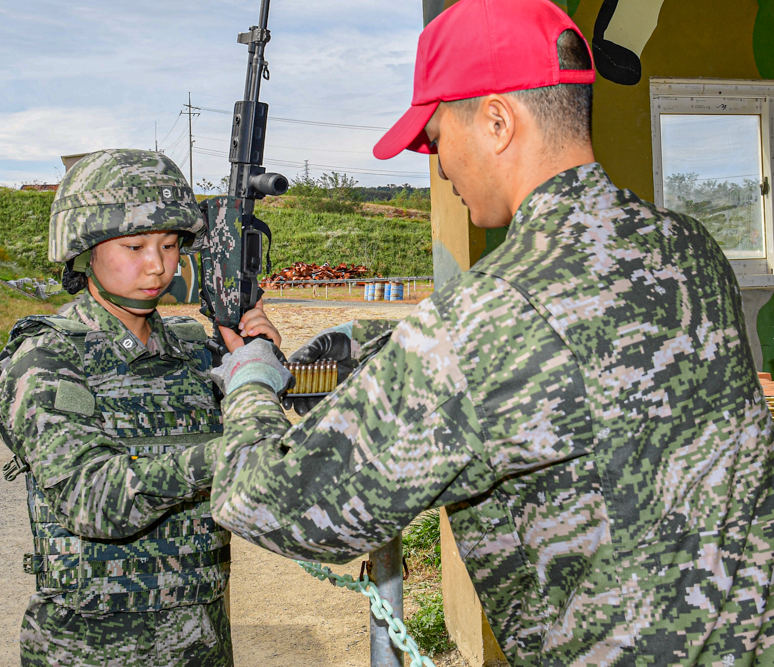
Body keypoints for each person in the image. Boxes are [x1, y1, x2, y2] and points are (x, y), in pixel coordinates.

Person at [205, 1, 774, 665]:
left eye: (436, 134)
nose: (439, 164)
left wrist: (250, 375)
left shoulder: (482, 319)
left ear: (498, 121)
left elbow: (262, 500)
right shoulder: (691, 248)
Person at [0, 149, 281, 667]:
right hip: (90, 651)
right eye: (134, 245)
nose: (157, 265)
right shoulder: (46, 358)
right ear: (85, 250)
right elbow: (92, 496)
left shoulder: (195, 352)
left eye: (169, 245)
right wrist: (229, 452)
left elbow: (270, 474)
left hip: (201, 645)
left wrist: (255, 370)